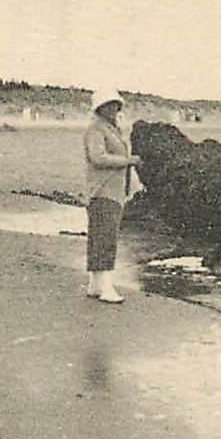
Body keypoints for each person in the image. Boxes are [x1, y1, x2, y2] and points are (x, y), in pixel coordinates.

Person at [83, 88, 142, 304]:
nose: (113, 109)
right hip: (102, 191)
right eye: (109, 105)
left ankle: (95, 284)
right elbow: (97, 158)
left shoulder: (111, 128)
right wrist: (128, 161)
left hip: (112, 191)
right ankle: (106, 288)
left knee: (100, 237)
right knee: (105, 239)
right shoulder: (96, 129)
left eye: (116, 105)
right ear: (100, 108)